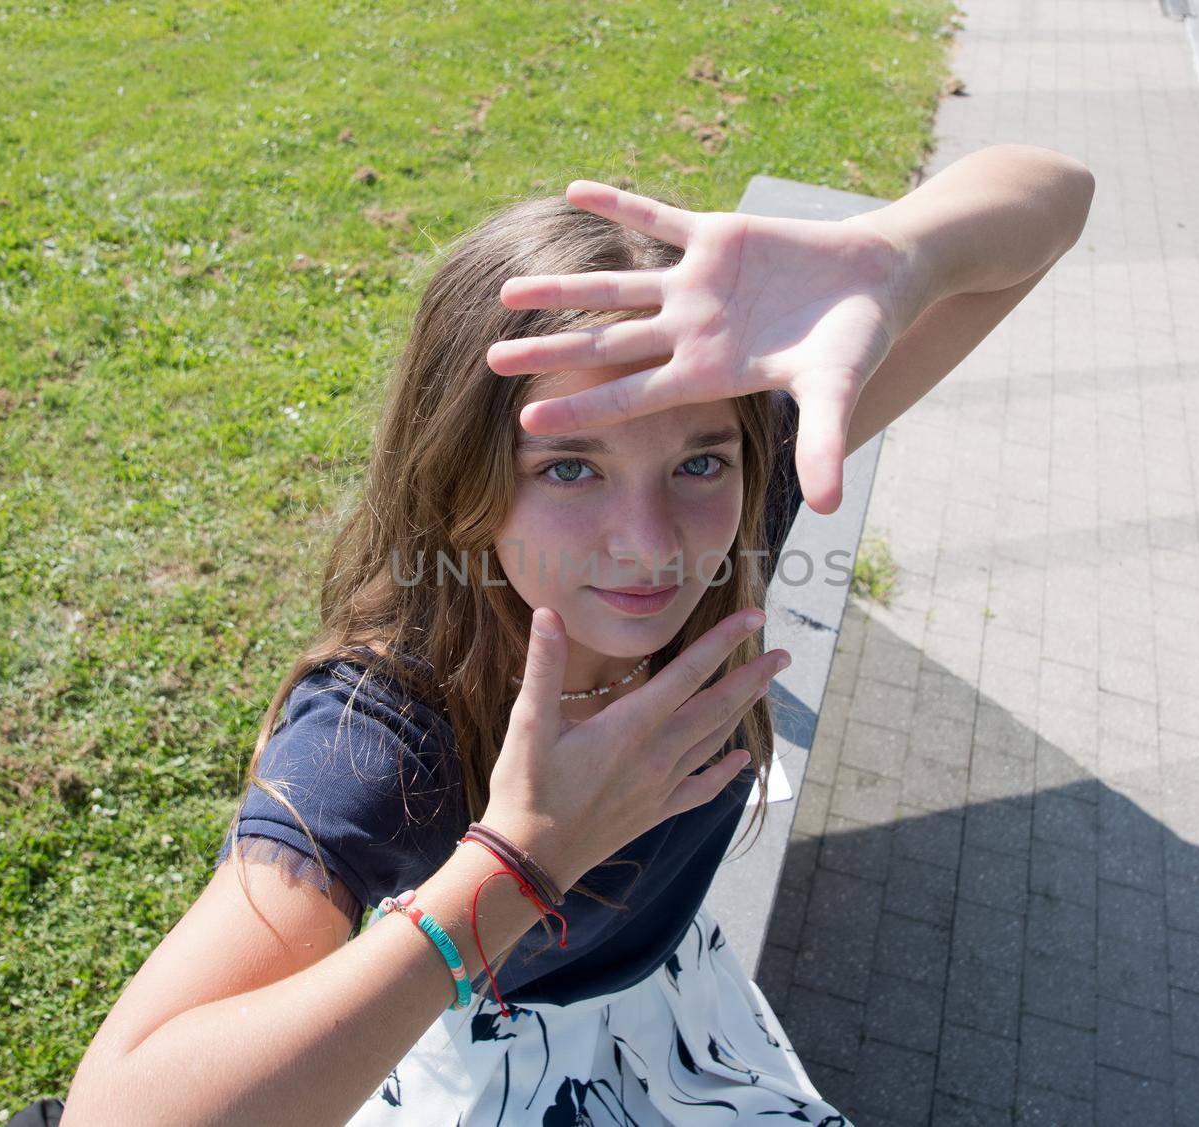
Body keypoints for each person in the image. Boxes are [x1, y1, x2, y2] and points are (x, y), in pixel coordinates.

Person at [57, 146, 1093, 1125]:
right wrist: (522, 859)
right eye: (569, 467)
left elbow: (1056, 194)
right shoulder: (389, 734)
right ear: (459, 476)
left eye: (698, 460)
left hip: (680, 1012)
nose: (650, 547)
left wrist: (891, 256)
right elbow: (119, 1108)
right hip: (472, 1051)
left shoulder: (728, 521)